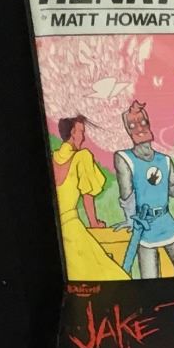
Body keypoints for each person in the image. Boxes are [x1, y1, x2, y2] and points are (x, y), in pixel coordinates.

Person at [113, 99, 174, 277]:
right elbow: (127, 195)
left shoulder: (164, 160)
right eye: (133, 125)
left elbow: (172, 189)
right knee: (149, 280)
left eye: (143, 122)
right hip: (144, 228)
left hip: (166, 223)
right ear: (128, 129)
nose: (139, 128)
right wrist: (130, 219)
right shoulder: (124, 159)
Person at [53, 113, 116, 278]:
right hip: (72, 228)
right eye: (81, 131)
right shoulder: (82, 157)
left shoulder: (52, 158)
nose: (83, 137)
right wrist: (94, 223)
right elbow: (88, 195)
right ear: (73, 133)